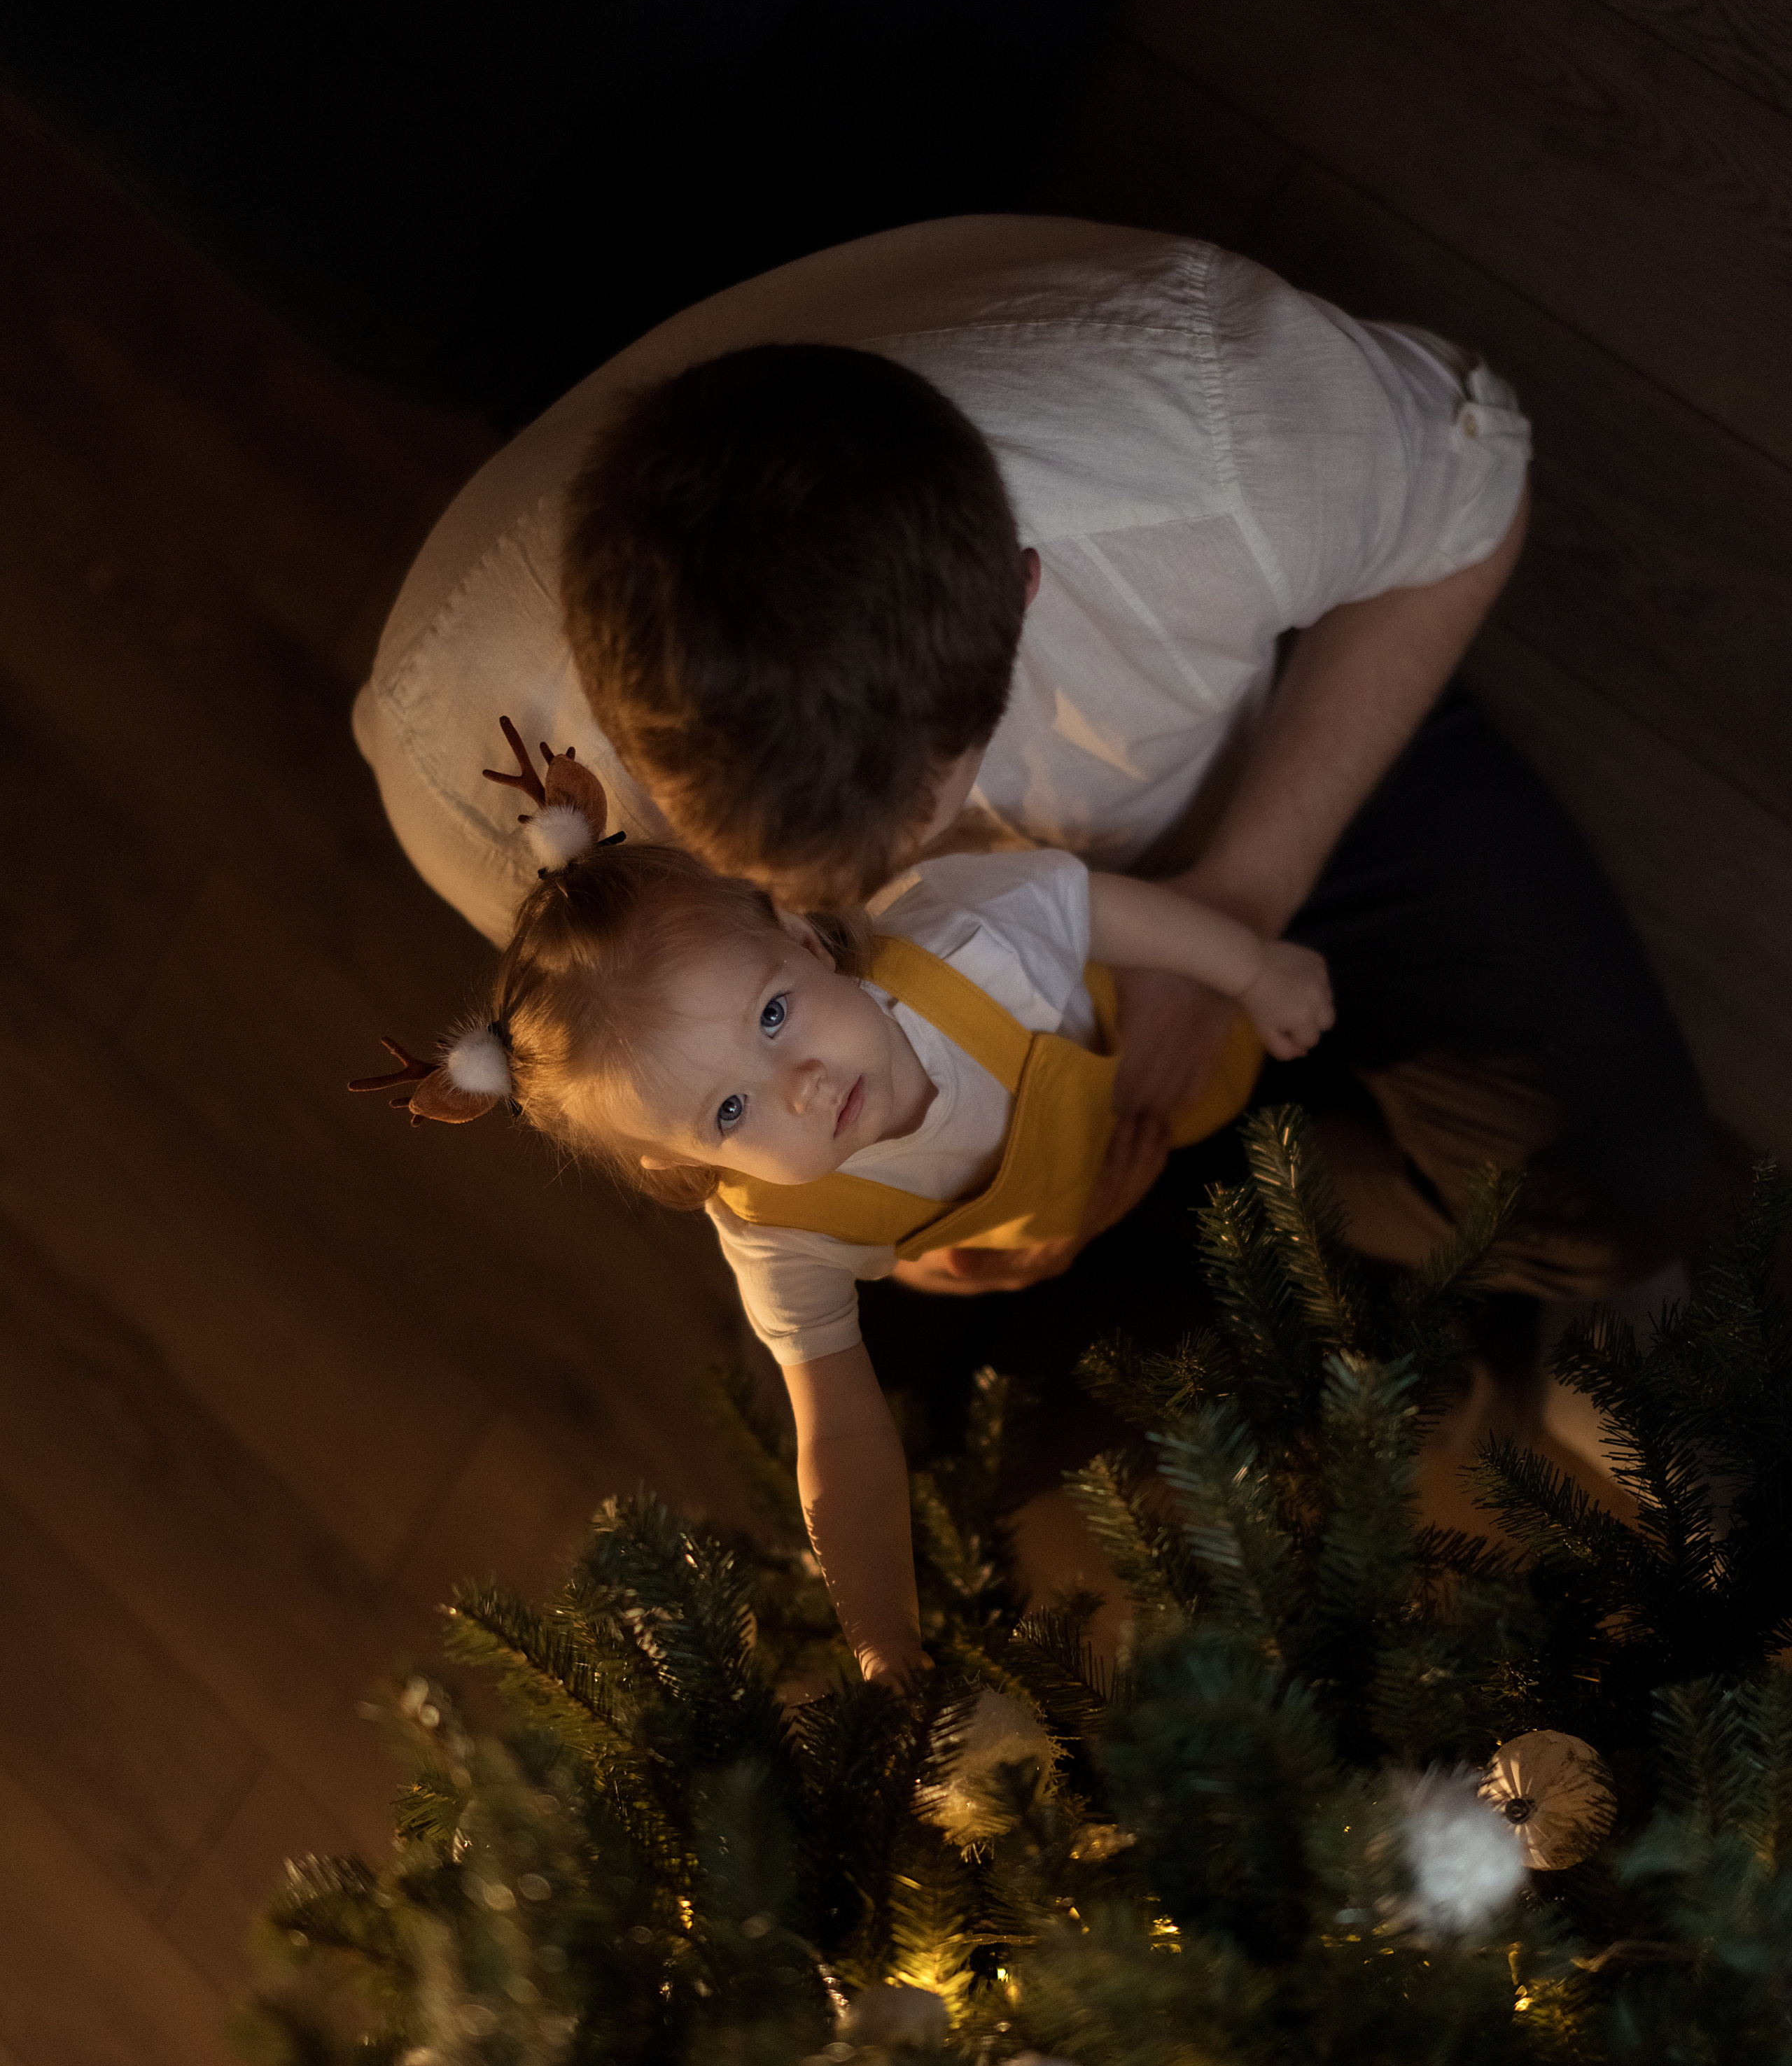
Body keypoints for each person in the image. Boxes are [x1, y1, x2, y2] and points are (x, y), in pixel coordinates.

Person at [354, 217, 1710, 1302]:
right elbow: (664, 1070)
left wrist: (1241, 900)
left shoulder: (1217, 439)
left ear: (1019, 592)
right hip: (913, 1090)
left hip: (1238, 793)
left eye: (906, 828)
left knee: (1609, 1210)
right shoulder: (466, 755)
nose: (845, 914)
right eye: (761, 875)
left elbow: (1475, 493)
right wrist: (942, 1216)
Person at [349, 733, 1333, 1678]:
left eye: (773, 1016)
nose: (804, 1088)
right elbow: (842, 1435)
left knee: (1289, 1112)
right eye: (730, 1111)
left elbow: (1095, 911)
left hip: (1173, 1063)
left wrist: (1250, 968)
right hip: (1062, 1229)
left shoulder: (965, 943)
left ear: (802, 935)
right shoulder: (777, 1232)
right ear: (678, 1164)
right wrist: (880, 1641)